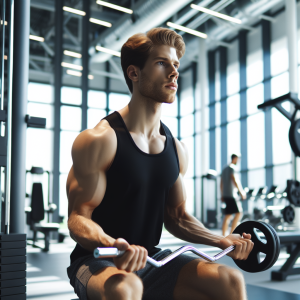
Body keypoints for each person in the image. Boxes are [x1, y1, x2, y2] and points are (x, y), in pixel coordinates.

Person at [67, 28, 254, 300]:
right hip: (97, 259)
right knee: (125, 289)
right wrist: (113, 244)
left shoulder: (176, 149)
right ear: (134, 73)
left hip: (151, 260)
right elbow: (77, 219)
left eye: (175, 64)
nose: (174, 72)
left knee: (229, 280)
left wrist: (219, 240)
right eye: (161, 63)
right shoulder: (100, 140)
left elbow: (177, 217)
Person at [221, 154, 247, 236]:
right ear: (235, 158)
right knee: (239, 213)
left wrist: (222, 194)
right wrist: (241, 192)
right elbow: (234, 179)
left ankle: (223, 234)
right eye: (238, 159)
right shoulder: (232, 168)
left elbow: (221, 183)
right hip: (231, 195)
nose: (238, 161)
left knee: (228, 215)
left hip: (225, 195)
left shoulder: (225, 169)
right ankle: (232, 234)